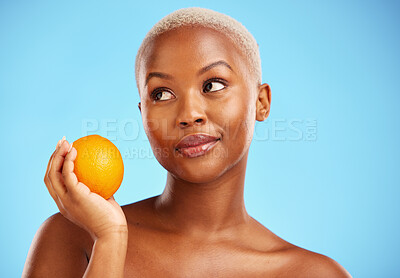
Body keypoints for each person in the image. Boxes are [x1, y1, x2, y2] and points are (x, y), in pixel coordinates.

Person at [22, 7, 351, 277]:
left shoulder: (313, 273)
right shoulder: (72, 238)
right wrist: (110, 242)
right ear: (143, 114)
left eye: (213, 85)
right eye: (161, 94)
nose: (189, 114)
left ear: (261, 103)